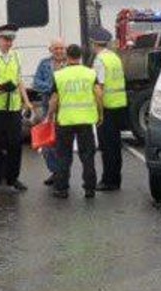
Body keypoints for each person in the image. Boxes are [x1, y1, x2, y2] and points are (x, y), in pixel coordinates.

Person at [0, 24, 32, 194]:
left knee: (15, 144)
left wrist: (27, 101)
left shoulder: (16, 55)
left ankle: (12, 178)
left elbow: (19, 80)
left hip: (13, 106)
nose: (9, 43)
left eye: (11, 40)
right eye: (6, 40)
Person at [48, 43, 104, 199]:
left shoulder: (59, 75)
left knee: (63, 156)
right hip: (86, 120)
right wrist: (100, 114)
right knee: (87, 155)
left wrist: (50, 116)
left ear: (67, 56)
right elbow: (99, 95)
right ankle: (90, 189)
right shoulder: (90, 73)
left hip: (65, 121)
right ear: (80, 56)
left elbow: (54, 99)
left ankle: (61, 189)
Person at [91, 26, 129, 190]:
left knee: (107, 147)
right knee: (115, 146)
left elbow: (99, 88)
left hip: (107, 107)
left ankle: (108, 181)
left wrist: (98, 113)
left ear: (93, 43)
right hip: (119, 105)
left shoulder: (99, 60)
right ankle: (116, 179)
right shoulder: (114, 57)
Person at [32, 40, 65, 187]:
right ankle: (55, 171)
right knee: (47, 145)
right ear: (50, 49)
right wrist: (52, 88)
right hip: (48, 109)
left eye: (61, 48)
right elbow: (36, 83)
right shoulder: (44, 64)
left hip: (66, 110)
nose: (59, 51)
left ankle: (62, 174)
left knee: (63, 144)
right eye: (56, 48)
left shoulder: (71, 63)